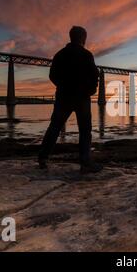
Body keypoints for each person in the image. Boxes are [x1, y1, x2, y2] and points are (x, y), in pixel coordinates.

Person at [38, 26, 102, 174]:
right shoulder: (86, 55)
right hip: (82, 98)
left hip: (63, 97)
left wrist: (62, 86)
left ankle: (43, 158)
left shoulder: (59, 54)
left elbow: (52, 75)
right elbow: (94, 75)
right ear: (83, 38)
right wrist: (91, 90)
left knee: (54, 127)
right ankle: (85, 163)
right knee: (85, 130)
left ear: (71, 37)